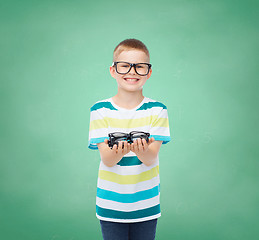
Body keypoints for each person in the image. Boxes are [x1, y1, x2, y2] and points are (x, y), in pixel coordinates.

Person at [88, 38, 171, 240]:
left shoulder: (158, 109)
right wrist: (125, 150)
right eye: (124, 66)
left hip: (146, 204)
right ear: (113, 70)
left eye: (139, 67)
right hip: (111, 205)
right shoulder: (99, 110)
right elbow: (108, 159)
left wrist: (141, 150)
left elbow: (150, 158)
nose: (132, 72)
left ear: (148, 72)